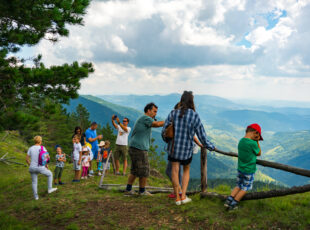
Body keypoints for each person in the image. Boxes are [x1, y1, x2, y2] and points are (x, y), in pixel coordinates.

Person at [162, 91, 216, 205]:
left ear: (181, 101)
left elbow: (164, 132)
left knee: (175, 171)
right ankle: (183, 196)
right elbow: (202, 135)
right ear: (192, 101)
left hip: (173, 149)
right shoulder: (194, 115)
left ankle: (177, 197)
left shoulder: (173, 113)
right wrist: (210, 147)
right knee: (186, 171)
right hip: (186, 150)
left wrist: (167, 140)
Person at [124, 102, 165, 196]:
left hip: (134, 147)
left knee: (134, 170)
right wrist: (170, 120)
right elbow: (157, 124)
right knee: (144, 169)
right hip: (139, 148)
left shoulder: (143, 118)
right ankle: (142, 191)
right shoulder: (146, 118)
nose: (155, 114)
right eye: (154, 111)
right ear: (148, 111)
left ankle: (128, 190)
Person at [224, 123, 263, 210]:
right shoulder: (253, 143)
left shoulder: (241, 141)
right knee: (244, 188)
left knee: (238, 186)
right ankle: (233, 205)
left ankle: (228, 201)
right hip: (249, 170)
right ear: (255, 132)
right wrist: (257, 141)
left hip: (240, 168)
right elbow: (259, 153)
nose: (258, 138)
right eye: (258, 135)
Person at [26, 136, 57, 200]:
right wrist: (46, 165)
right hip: (40, 167)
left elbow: (26, 159)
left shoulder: (30, 148)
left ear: (34, 141)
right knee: (50, 174)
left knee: (34, 182)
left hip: (32, 168)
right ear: (40, 141)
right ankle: (50, 189)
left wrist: (30, 165)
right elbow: (47, 158)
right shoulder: (43, 148)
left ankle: (36, 197)